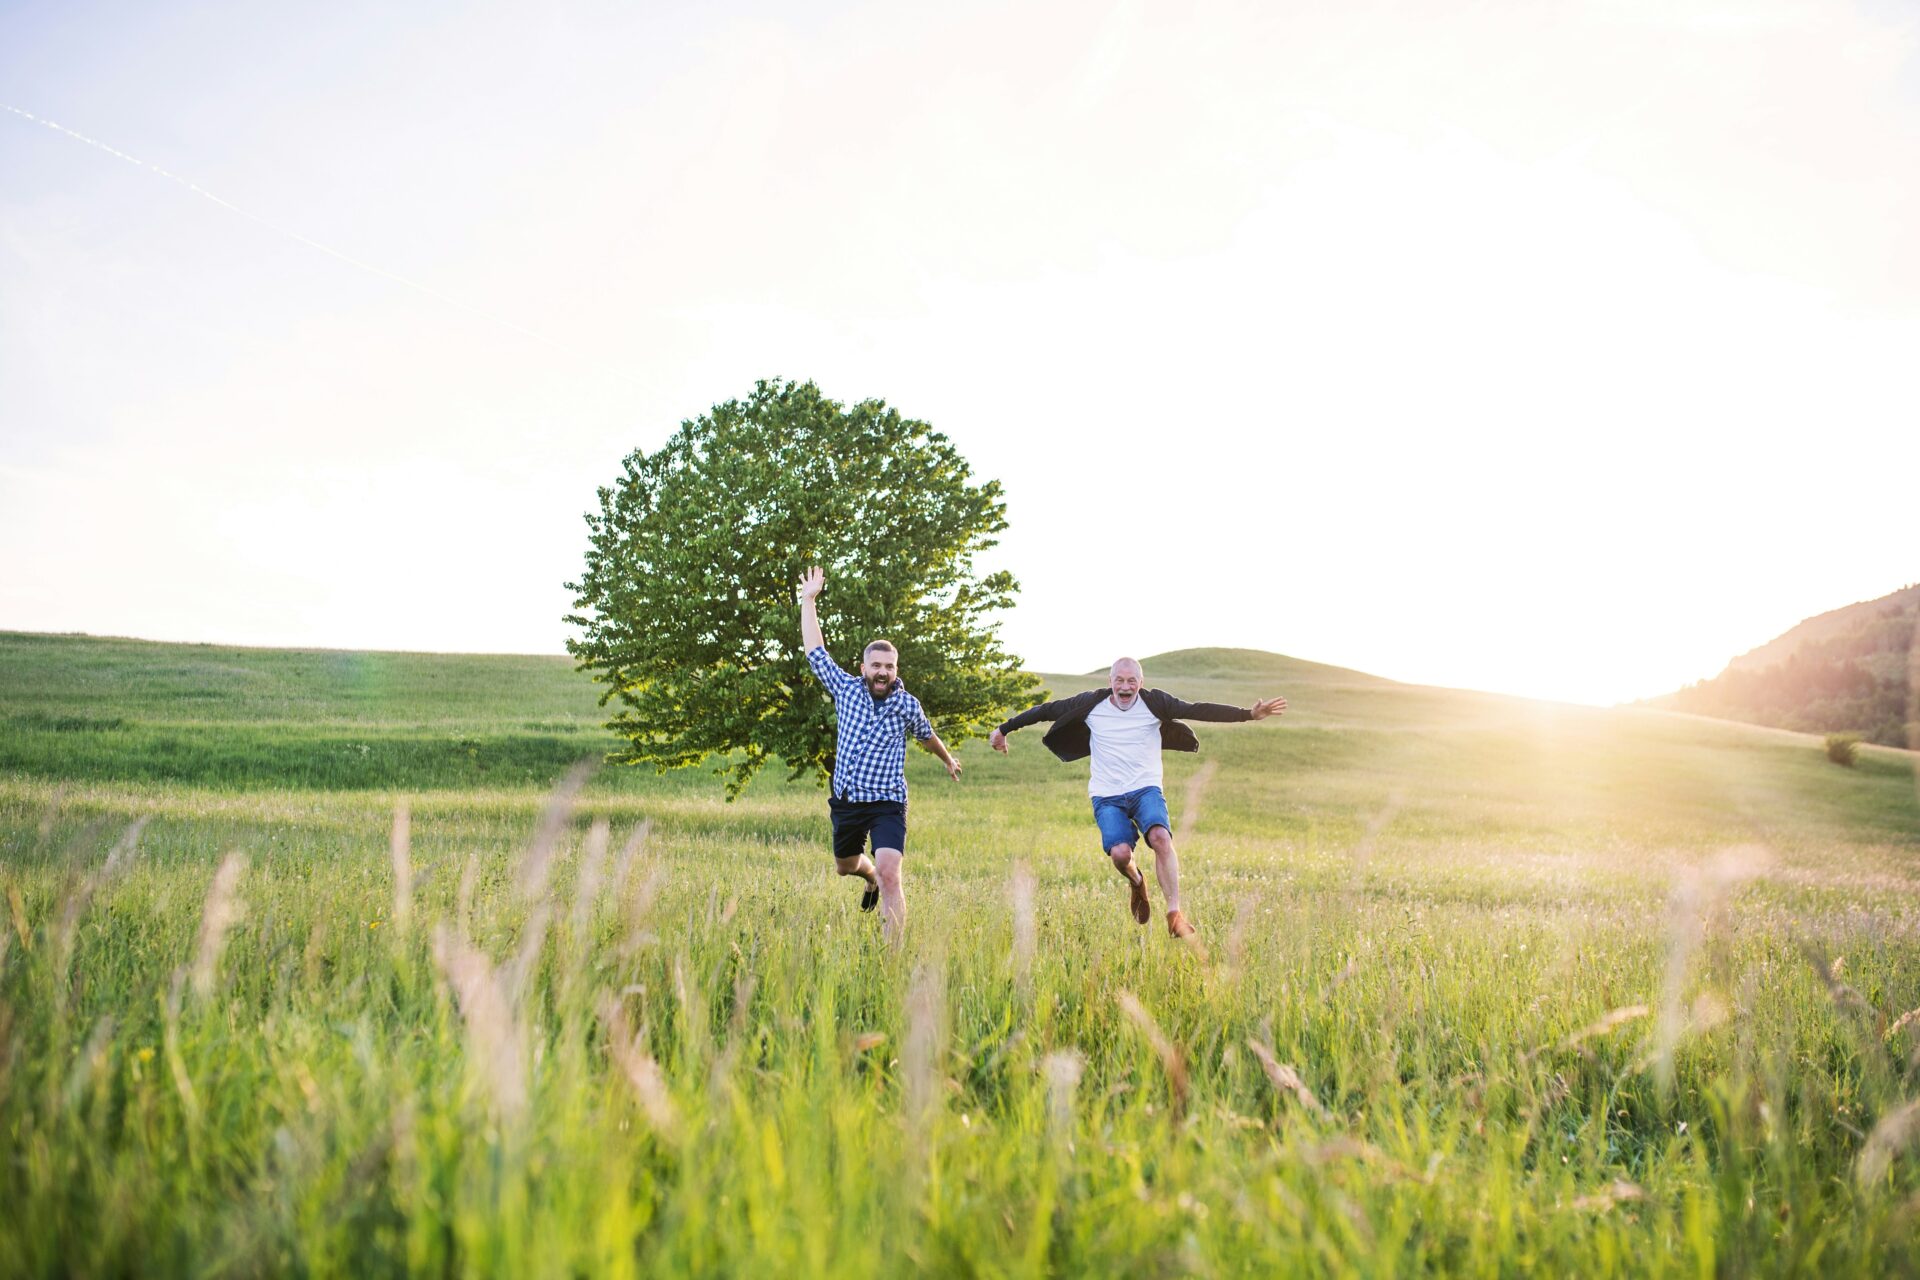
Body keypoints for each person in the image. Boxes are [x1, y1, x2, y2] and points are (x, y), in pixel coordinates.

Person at [989, 657, 1285, 938]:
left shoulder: (1155, 703)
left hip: (1145, 789)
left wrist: (1248, 714)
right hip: (1107, 795)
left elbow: (1197, 709)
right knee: (1120, 855)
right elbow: (1045, 710)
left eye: (1132, 680)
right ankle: (1137, 883)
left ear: (1141, 682)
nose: (1126, 686)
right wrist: (1003, 729)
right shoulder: (1091, 703)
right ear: (1111, 681)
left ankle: (1174, 914)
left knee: (1160, 838)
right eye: (1120, 680)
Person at [798, 565, 961, 943]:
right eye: (876, 666)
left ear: (896, 669)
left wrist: (948, 759)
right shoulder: (845, 689)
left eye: (889, 666)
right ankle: (867, 876)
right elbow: (815, 650)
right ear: (864, 668)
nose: (883, 672)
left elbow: (927, 735)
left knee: (892, 873)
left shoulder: (906, 704)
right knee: (845, 866)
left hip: (888, 801)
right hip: (848, 801)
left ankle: (892, 958)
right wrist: (809, 601)